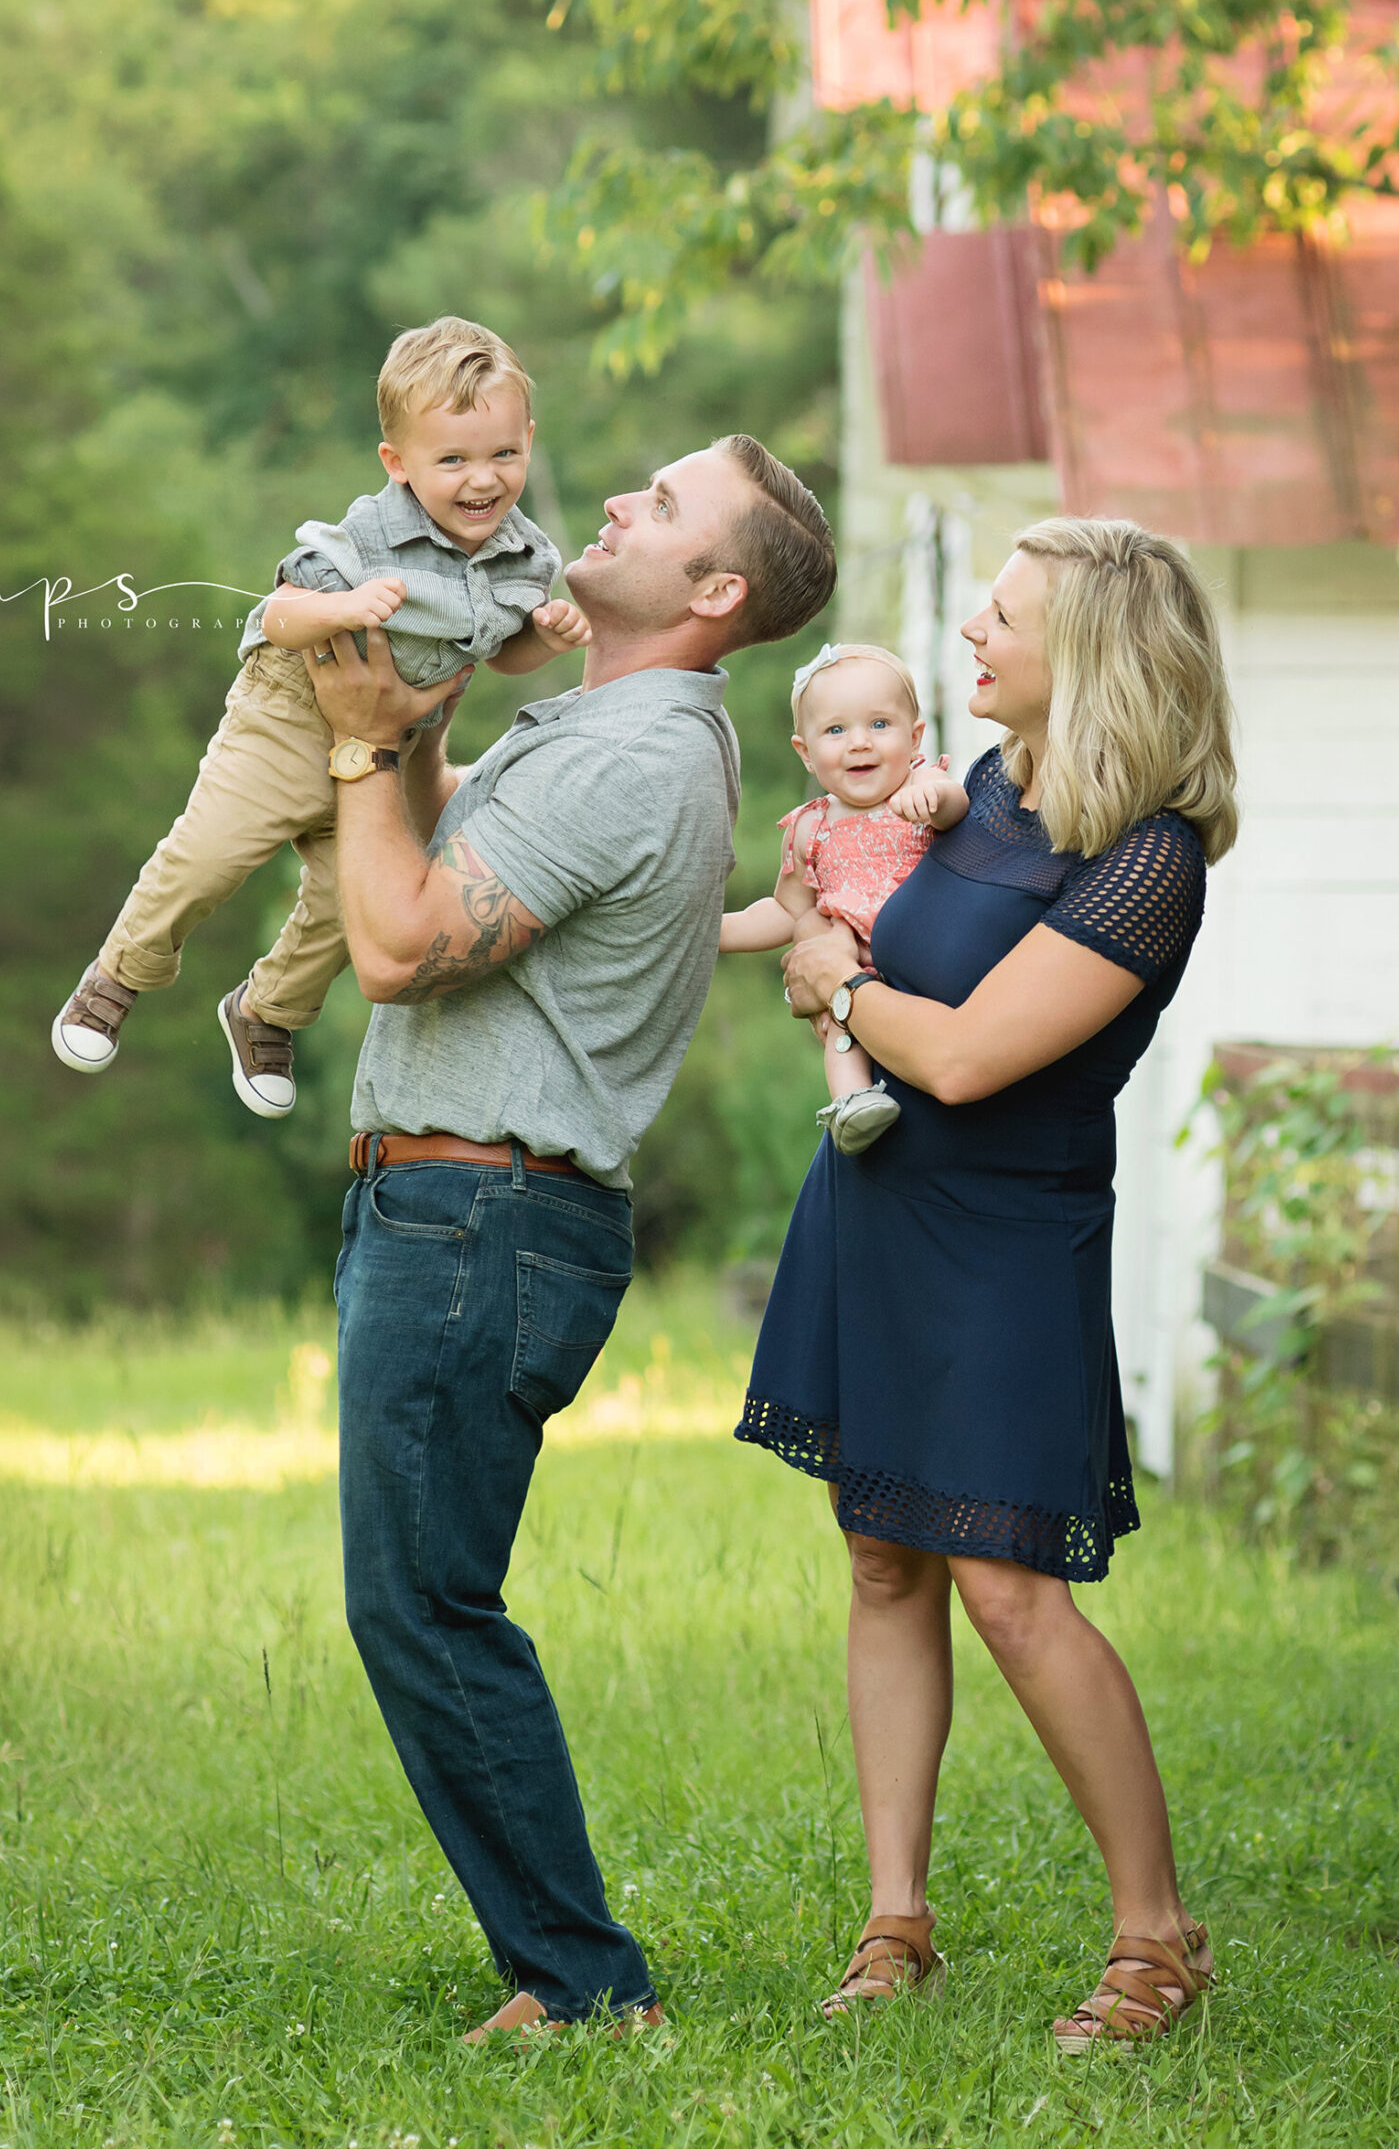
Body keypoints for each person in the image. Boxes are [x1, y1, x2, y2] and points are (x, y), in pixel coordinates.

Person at [308, 433, 834, 2037]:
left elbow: (397, 940)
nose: (613, 500)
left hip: (484, 1218)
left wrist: (345, 752)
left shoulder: (638, 756)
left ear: (715, 589)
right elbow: (444, 828)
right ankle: (566, 1972)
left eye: (661, 506)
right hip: (458, 1205)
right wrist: (412, 719)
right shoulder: (605, 722)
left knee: (425, 1603)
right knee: (422, 1595)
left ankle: (586, 1988)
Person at [740, 518, 1237, 2051]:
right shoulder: (988, 791)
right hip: (875, 1209)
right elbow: (864, 909)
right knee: (884, 1557)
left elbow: (957, 1054)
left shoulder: (1146, 859)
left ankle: (1156, 1938)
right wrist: (806, 915)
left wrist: (837, 982)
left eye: (1001, 618)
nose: (970, 637)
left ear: (1082, 652)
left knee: (1012, 1588)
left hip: (1007, 1239)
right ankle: (896, 1922)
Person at [49, 318, 589, 1117]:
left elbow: (499, 651)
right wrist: (343, 603)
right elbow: (277, 615)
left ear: (529, 440)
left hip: (388, 746)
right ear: (397, 464)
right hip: (292, 714)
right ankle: (119, 974)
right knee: (210, 856)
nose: (482, 481)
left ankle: (266, 1011)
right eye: (452, 460)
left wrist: (542, 641)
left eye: (503, 454)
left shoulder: (526, 557)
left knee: (356, 904)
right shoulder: (370, 533)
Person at [719, 642, 965, 1153]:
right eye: (836, 730)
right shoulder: (810, 828)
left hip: (931, 967)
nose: (859, 744)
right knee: (839, 1024)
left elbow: (954, 809)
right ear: (805, 751)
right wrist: (714, 932)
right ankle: (852, 1102)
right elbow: (789, 910)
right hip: (856, 972)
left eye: (880, 725)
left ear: (914, 735)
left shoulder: (920, 785)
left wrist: (934, 798)